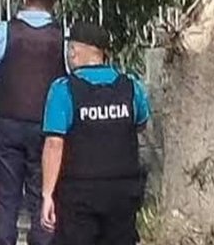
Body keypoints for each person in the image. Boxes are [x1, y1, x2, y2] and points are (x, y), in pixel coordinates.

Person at [0, 0, 66, 245]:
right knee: (44, 196)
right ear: (55, 2)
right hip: (49, 129)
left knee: (5, 200)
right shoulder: (63, 38)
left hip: (8, 125)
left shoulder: (1, 33)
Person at [40, 21, 150, 245]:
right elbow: (140, 123)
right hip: (122, 194)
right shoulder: (131, 86)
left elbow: (54, 144)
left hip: (78, 196)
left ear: (73, 51)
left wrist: (47, 194)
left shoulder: (63, 89)